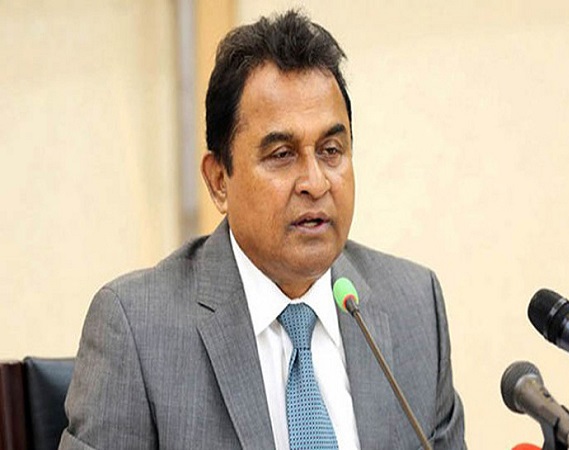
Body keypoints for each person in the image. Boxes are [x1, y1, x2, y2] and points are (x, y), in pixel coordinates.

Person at [59, 10, 466, 450]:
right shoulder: (138, 330)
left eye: (331, 150)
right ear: (219, 181)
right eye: (282, 155)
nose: (315, 182)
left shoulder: (414, 307)